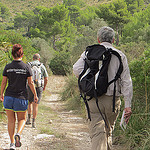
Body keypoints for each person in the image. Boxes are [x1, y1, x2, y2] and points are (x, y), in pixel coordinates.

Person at [73, 26, 133, 150]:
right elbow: (126, 82)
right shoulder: (120, 55)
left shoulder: (89, 52)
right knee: (108, 132)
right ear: (113, 40)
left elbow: (76, 69)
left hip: (93, 99)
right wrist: (128, 105)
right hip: (112, 99)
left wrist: (89, 78)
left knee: (97, 133)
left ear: (98, 39)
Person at [0, 44, 38, 150]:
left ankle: (12, 143)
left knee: (11, 120)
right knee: (22, 119)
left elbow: (4, 82)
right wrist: (35, 95)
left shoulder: (8, 67)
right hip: (21, 98)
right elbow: (30, 83)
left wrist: (1, 94)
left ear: (12, 54)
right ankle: (18, 134)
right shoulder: (26, 67)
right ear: (22, 54)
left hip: (8, 97)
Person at [26, 53, 48, 128]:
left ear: (33, 58)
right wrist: (44, 87)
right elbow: (46, 78)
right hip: (39, 86)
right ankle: (34, 122)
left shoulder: (29, 65)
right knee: (36, 104)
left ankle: (28, 119)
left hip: (30, 86)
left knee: (30, 103)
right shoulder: (41, 66)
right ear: (39, 59)